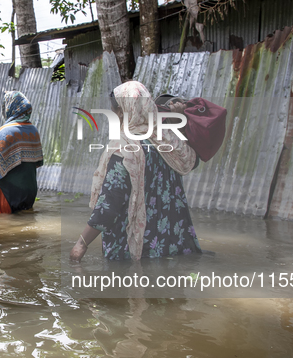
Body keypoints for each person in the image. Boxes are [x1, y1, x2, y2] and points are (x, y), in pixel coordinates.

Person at [70, 81, 201, 261]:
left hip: (134, 252)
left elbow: (109, 206)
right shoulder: (169, 141)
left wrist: (82, 243)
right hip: (173, 246)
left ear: (123, 113)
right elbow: (192, 162)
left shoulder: (125, 150)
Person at [0, 91, 44, 213]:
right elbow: (38, 162)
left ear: (9, 107)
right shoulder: (33, 130)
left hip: (8, 195)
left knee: (3, 228)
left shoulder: (5, 132)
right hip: (29, 194)